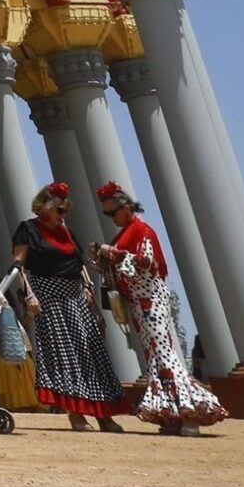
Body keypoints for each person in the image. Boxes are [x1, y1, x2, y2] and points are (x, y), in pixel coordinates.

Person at [93, 183, 225, 434]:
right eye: (107, 214)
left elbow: (148, 263)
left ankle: (188, 412)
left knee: (164, 355)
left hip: (150, 300)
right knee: (155, 356)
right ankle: (172, 414)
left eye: (114, 212)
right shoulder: (126, 234)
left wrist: (116, 254)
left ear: (127, 207)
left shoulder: (141, 231)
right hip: (138, 303)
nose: (112, 218)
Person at [14, 182, 125, 432]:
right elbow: (19, 265)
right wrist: (28, 295)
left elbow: (79, 262)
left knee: (92, 353)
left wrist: (89, 290)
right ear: (44, 207)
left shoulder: (66, 231)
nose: (63, 215)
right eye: (59, 210)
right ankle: (76, 414)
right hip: (49, 298)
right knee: (64, 356)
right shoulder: (28, 229)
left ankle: (104, 415)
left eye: (65, 211)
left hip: (76, 296)